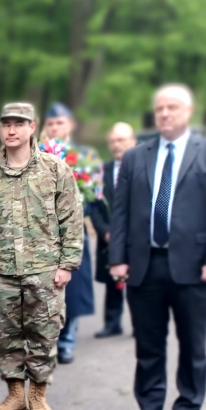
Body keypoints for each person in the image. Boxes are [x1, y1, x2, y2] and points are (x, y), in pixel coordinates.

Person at [0, 103, 83, 410]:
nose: (11, 130)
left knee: (44, 333)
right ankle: (15, 393)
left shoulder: (55, 169)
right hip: (3, 271)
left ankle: (38, 395)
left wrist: (67, 264)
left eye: (19, 124)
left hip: (45, 270)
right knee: (7, 334)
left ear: (33, 128)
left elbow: (71, 219)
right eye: (6, 123)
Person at [109, 84, 206, 410]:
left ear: (188, 110)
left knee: (192, 344)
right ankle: (150, 407)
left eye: (173, 107)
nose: (165, 113)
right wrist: (117, 258)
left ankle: (187, 407)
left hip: (195, 266)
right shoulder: (136, 156)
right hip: (144, 264)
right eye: (160, 108)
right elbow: (120, 211)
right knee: (148, 343)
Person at [41, 103, 99, 363]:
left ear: (70, 125)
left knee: (72, 290)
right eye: (51, 124)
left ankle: (68, 340)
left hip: (73, 231)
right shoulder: (36, 154)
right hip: (42, 234)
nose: (55, 128)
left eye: (60, 123)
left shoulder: (83, 156)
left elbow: (95, 194)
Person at [90, 123, 136, 337]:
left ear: (133, 141)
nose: (117, 145)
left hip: (137, 238)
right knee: (112, 282)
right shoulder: (101, 173)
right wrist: (105, 231)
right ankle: (112, 323)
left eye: (121, 140)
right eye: (113, 141)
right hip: (108, 238)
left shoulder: (144, 167)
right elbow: (95, 207)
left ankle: (140, 324)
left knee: (138, 283)